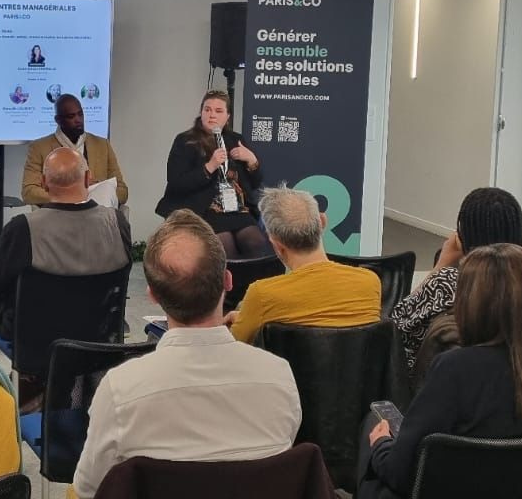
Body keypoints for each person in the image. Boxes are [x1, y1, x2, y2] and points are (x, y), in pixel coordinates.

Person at [72, 210, 301, 499]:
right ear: (227, 280)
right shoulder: (279, 376)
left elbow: (89, 489)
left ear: (152, 295)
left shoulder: (120, 390)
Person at [357, 244, 522, 499]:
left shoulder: (455, 371)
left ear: (472, 305)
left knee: (374, 422)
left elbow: (399, 474)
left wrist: (381, 444)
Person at [0, 148, 132, 407]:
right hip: (100, 342)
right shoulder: (116, 224)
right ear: (88, 179)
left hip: (38, 349)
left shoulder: (23, 229)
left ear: (43, 183)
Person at [390, 187, 522, 370]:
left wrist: (442, 264)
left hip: (441, 379)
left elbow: (396, 324)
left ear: (463, 236)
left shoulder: (447, 284)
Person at [227, 186, 380, 344]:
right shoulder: (370, 282)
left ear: (277, 245)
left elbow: (233, 346)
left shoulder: (262, 295)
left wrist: (246, 317)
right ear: (322, 222)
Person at [156, 90, 266, 259]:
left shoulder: (235, 139)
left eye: (218, 111)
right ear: (201, 113)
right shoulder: (185, 141)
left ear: (227, 117)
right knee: (224, 244)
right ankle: (227, 278)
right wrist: (209, 166)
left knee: (255, 242)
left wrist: (252, 160)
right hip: (204, 209)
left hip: (236, 209)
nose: (212, 115)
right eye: (207, 109)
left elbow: (255, 183)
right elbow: (176, 183)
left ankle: (251, 278)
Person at [22, 94, 128, 206]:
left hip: (97, 212)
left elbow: (122, 192)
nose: (78, 120)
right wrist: (71, 196)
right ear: (58, 120)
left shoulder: (102, 145)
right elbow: (29, 193)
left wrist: (100, 188)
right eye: (71, 116)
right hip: (58, 214)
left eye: (80, 114)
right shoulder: (39, 148)